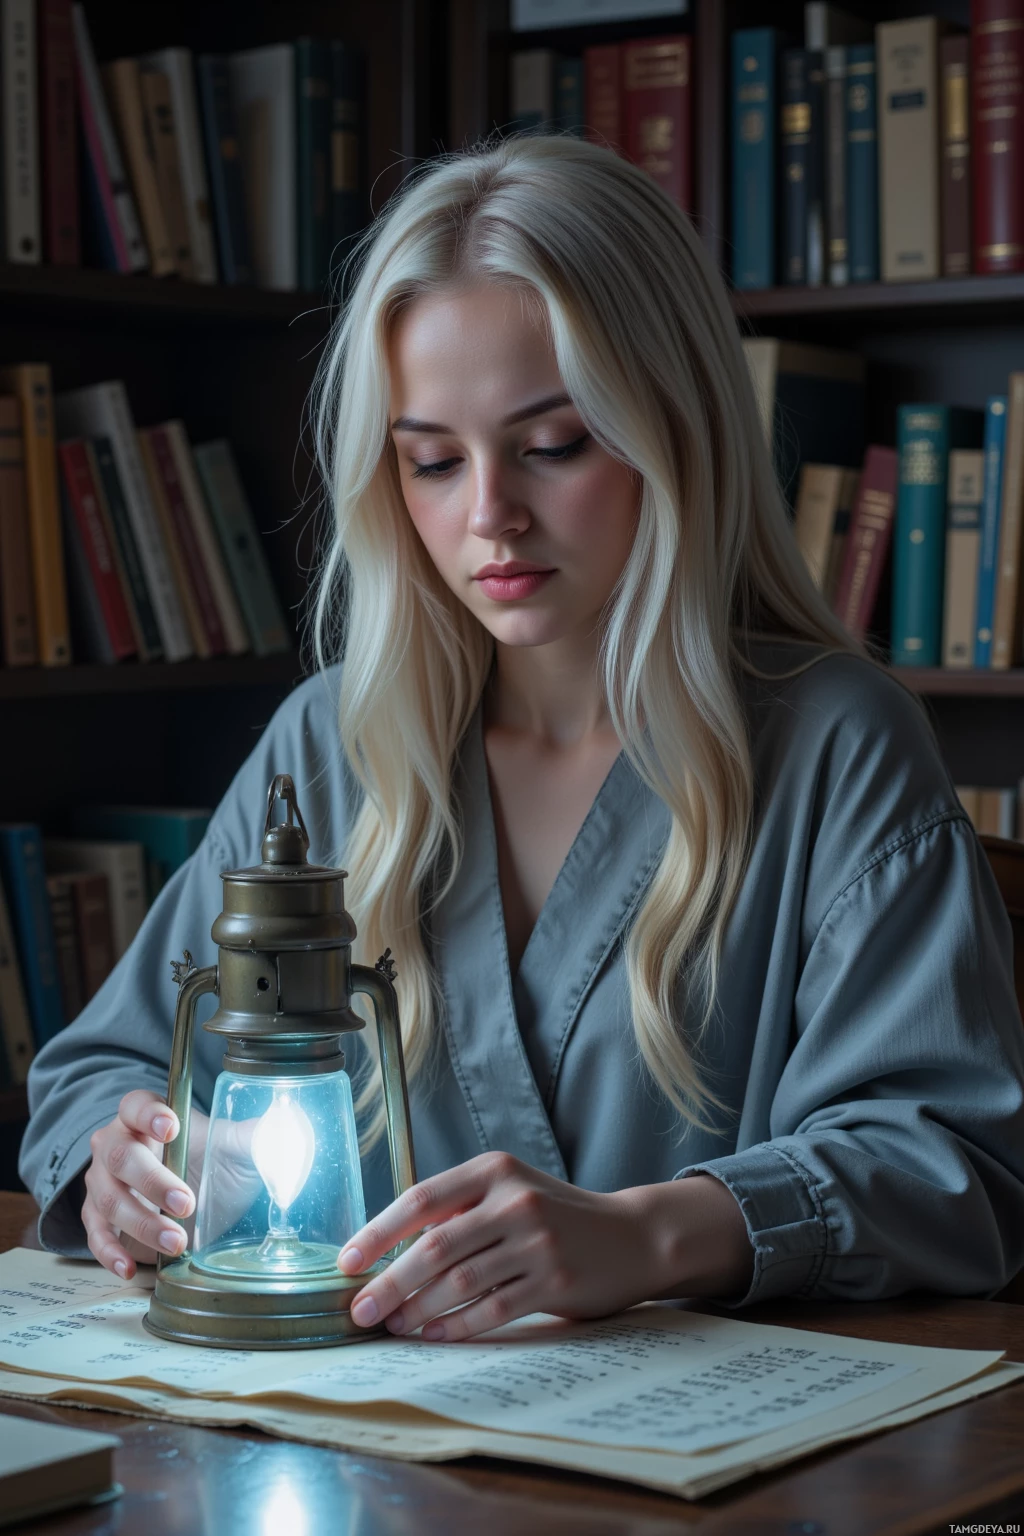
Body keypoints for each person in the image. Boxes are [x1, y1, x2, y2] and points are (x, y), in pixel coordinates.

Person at [20, 136, 1024, 1342]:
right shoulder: (329, 745)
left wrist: (652, 1235)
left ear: (677, 426)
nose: (488, 514)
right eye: (432, 461)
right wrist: (117, 1165)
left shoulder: (836, 747)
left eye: (553, 445)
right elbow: (100, 1069)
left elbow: (950, 1167)